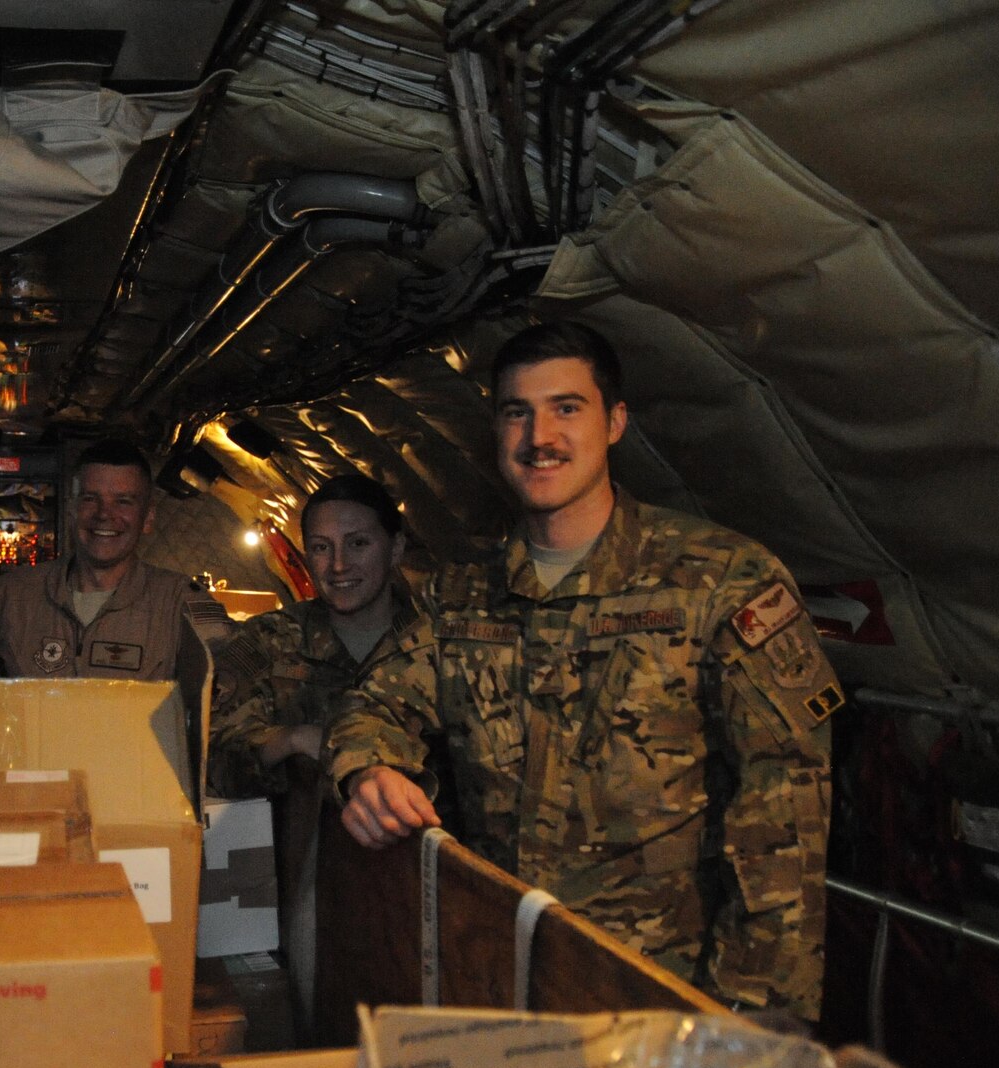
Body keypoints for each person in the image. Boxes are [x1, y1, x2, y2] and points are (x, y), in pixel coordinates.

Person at [330, 321, 840, 1021]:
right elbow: (374, 703)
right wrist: (367, 768)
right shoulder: (462, 595)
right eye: (517, 412)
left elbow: (784, 811)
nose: (539, 436)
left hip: (656, 996)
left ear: (615, 422)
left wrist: (753, 1020)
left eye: (566, 408)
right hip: (502, 977)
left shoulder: (719, 579)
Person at [207, 472, 432, 799]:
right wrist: (293, 739)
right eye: (321, 547)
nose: (339, 565)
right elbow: (214, 758)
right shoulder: (270, 640)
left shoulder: (437, 646)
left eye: (357, 544)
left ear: (395, 548)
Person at [0, 440, 231, 679]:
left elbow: (229, 692)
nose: (104, 514)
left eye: (123, 502)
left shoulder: (180, 604)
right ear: (72, 509)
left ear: (148, 518)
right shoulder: (8, 598)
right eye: (90, 499)